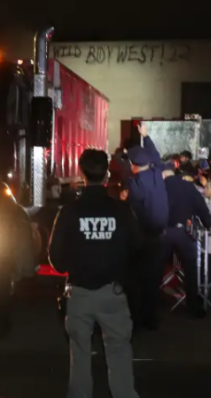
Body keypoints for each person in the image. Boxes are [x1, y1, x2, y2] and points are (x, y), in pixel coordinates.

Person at [49, 149, 143, 398]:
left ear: (81, 173)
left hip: (79, 292)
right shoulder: (121, 211)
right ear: (106, 175)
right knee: (119, 350)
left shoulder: (69, 211)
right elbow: (137, 247)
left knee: (79, 352)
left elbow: (56, 257)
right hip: (113, 292)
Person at [121, 123, 169, 330]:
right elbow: (155, 157)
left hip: (143, 237)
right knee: (152, 281)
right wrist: (146, 137)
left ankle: (136, 319)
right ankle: (152, 320)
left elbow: (131, 209)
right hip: (159, 236)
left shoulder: (135, 184)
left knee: (135, 280)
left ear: (133, 165)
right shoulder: (157, 174)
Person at [162, 163, 211, 318]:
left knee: (155, 268)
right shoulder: (188, 187)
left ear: (163, 174)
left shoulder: (160, 187)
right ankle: (193, 307)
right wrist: (207, 224)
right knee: (190, 270)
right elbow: (201, 207)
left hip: (163, 232)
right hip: (185, 232)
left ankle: (150, 307)